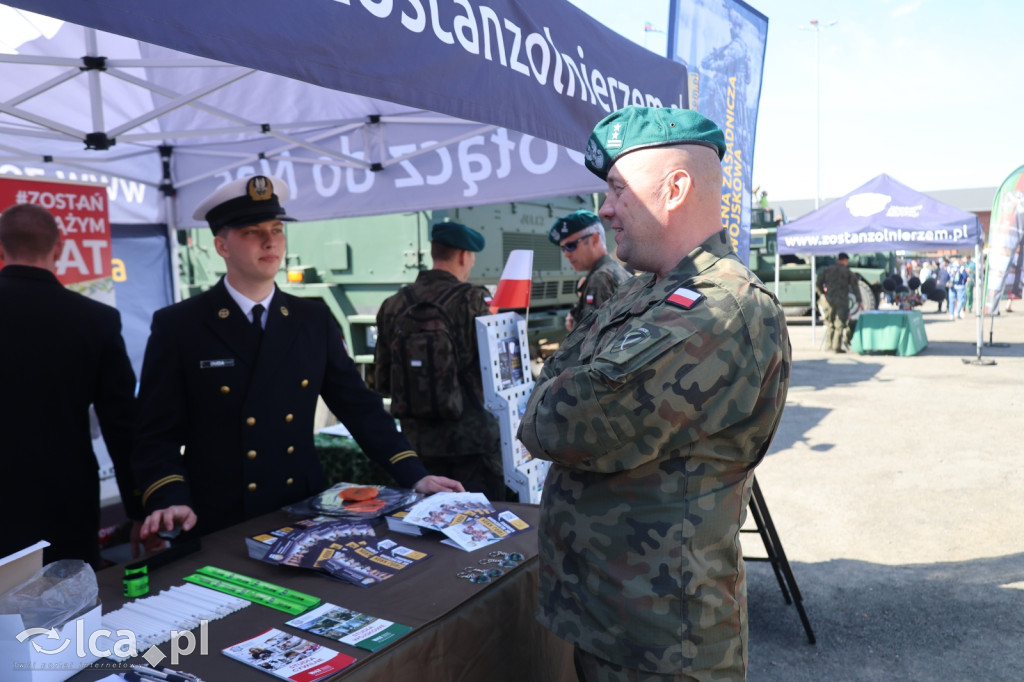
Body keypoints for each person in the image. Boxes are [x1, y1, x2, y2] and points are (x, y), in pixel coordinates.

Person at [517, 106, 791, 681]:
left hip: (664, 644)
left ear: (675, 188)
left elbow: (553, 422)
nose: (606, 209)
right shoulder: (647, 292)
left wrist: (561, 381)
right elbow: (556, 391)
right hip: (612, 620)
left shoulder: (721, 308)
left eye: (618, 189)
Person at [133, 175, 462, 541]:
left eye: (276, 229)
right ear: (221, 246)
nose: (270, 240)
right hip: (220, 516)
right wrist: (168, 497)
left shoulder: (312, 319)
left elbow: (359, 406)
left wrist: (415, 474)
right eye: (252, 232)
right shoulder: (181, 325)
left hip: (302, 509)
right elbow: (155, 433)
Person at [0, 203, 140, 567]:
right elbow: (122, 425)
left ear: (1, 249)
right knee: (69, 612)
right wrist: (140, 509)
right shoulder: (97, 320)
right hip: (66, 499)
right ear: (59, 250)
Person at [374, 222, 504, 500]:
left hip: (417, 448)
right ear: (462, 256)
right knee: (479, 528)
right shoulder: (474, 300)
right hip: (472, 443)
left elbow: (382, 381)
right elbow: (498, 374)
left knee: (427, 532)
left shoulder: (394, 304)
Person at [548, 210, 630, 331]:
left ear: (594, 239)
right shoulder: (615, 270)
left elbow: (593, 341)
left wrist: (575, 327)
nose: (566, 254)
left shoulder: (601, 278)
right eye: (563, 248)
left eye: (571, 246)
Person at [816, 252, 862, 353]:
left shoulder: (828, 270)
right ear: (845, 260)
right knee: (839, 323)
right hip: (842, 301)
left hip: (829, 300)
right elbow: (855, 287)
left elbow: (818, 283)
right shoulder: (847, 272)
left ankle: (828, 346)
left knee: (829, 323)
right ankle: (836, 347)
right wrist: (859, 301)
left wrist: (822, 294)